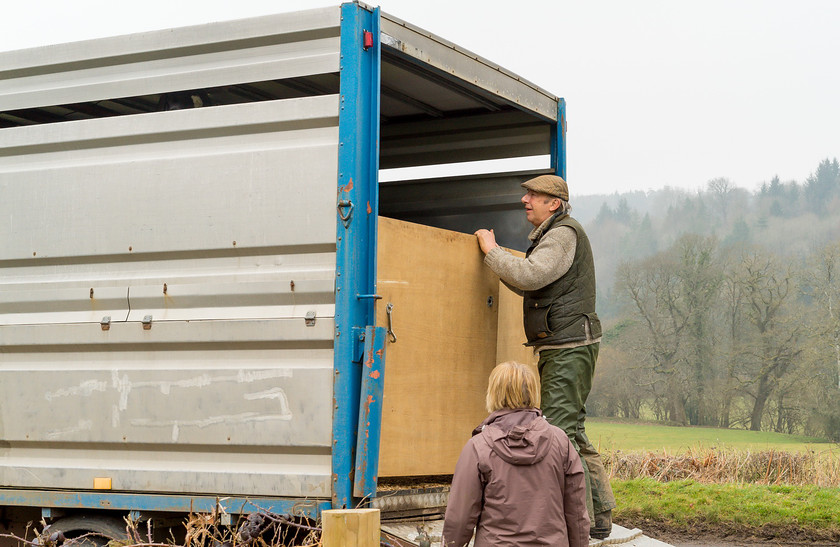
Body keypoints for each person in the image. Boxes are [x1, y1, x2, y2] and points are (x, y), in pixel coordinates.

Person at [473, 174, 616, 540]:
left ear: (555, 203)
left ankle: (580, 521)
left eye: (534, 195)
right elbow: (525, 280)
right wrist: (499, 260)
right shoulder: (554, 233)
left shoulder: (563, 234)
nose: (526, 201)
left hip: (568, 346)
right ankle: (599, 517)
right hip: (565, 344)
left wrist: (491, 251)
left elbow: (531, 276)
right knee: (574, 431)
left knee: (562, 432)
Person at [441, 361, 589, 547]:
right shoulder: (561, 442)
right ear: (534, 392)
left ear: (493, 393)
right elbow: (576, 511)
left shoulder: (478, 447)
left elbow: (460, 517)